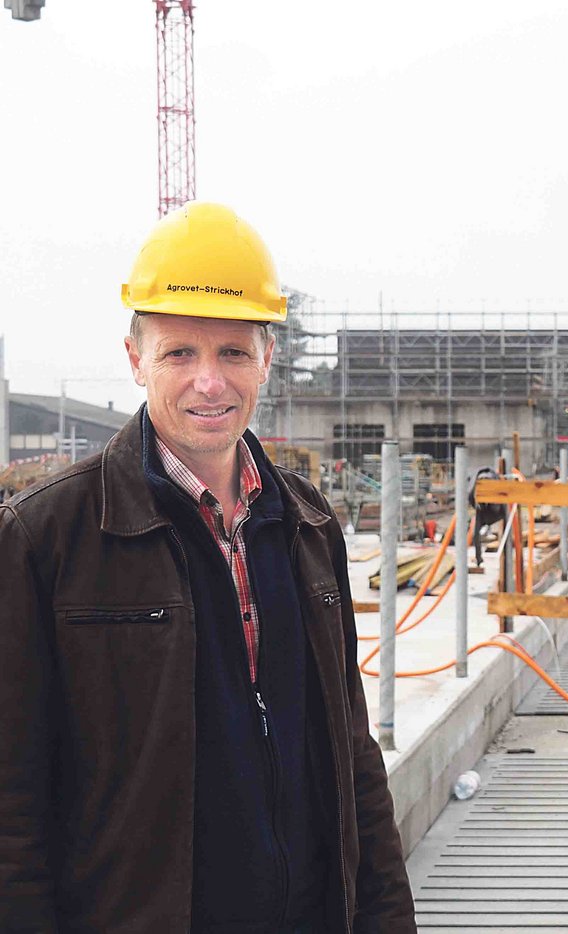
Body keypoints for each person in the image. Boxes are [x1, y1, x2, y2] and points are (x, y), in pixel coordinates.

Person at [0, 203, 416, 932]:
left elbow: (353, 759)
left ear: (266, 359)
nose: (210, 383)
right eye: (179, 353)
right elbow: (13, 798)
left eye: (232, 353)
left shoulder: (309, 525)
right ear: (135, 360)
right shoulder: (46, 538)